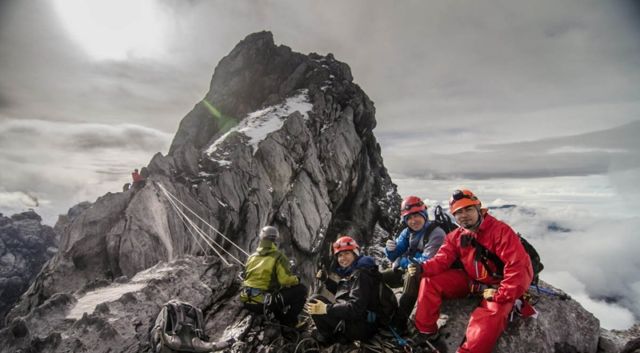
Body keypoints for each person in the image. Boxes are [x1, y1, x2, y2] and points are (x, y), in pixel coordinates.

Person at [413, 189, 533, 353]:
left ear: (479, 209)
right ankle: (426, 331)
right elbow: (441, 260)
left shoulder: (500, 232)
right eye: (458, 212)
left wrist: (501, 294)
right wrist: (423, 268)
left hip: (498, 286)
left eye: (468, 209)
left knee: (491, 314)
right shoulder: (456, 236)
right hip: (471, 281)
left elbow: (518, 267)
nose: (464, 215)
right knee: (429, 281)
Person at [382, 195, 446, 332]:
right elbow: (396, 254)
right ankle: (384, 311)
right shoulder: (407, 232)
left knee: (412, 274)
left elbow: (426, 262)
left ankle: (400, 321)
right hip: (410, 269)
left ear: (424, 214)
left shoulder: (436, 233)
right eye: (409, 218)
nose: (413, 221)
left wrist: (402, 261)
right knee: (378, 277)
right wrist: (390, 250)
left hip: (428, 274)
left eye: (416, 215)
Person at [305, 236, 380, 345]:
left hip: (363, 327)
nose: (343, 258)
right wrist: (326, 280)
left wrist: (326, 308)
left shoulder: (361, 274)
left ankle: (329, 338)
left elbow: (355, 308)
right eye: (340, 255)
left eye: (347, 253)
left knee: (314, 300)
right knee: (316, 300)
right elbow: (345, 294)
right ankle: (337, 335)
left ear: (355, 254)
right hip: (362, 322)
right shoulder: (355, 271)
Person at [240, 226, 307, 327]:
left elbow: (246, 276)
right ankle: (289, 322)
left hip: (246, 300)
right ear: (275, 240)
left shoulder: (252, 257)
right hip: (262, 304)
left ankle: (279, 318)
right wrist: (296, 279)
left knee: (274, 293)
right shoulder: (278, 256)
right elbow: (285, 280)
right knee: (301, 290)